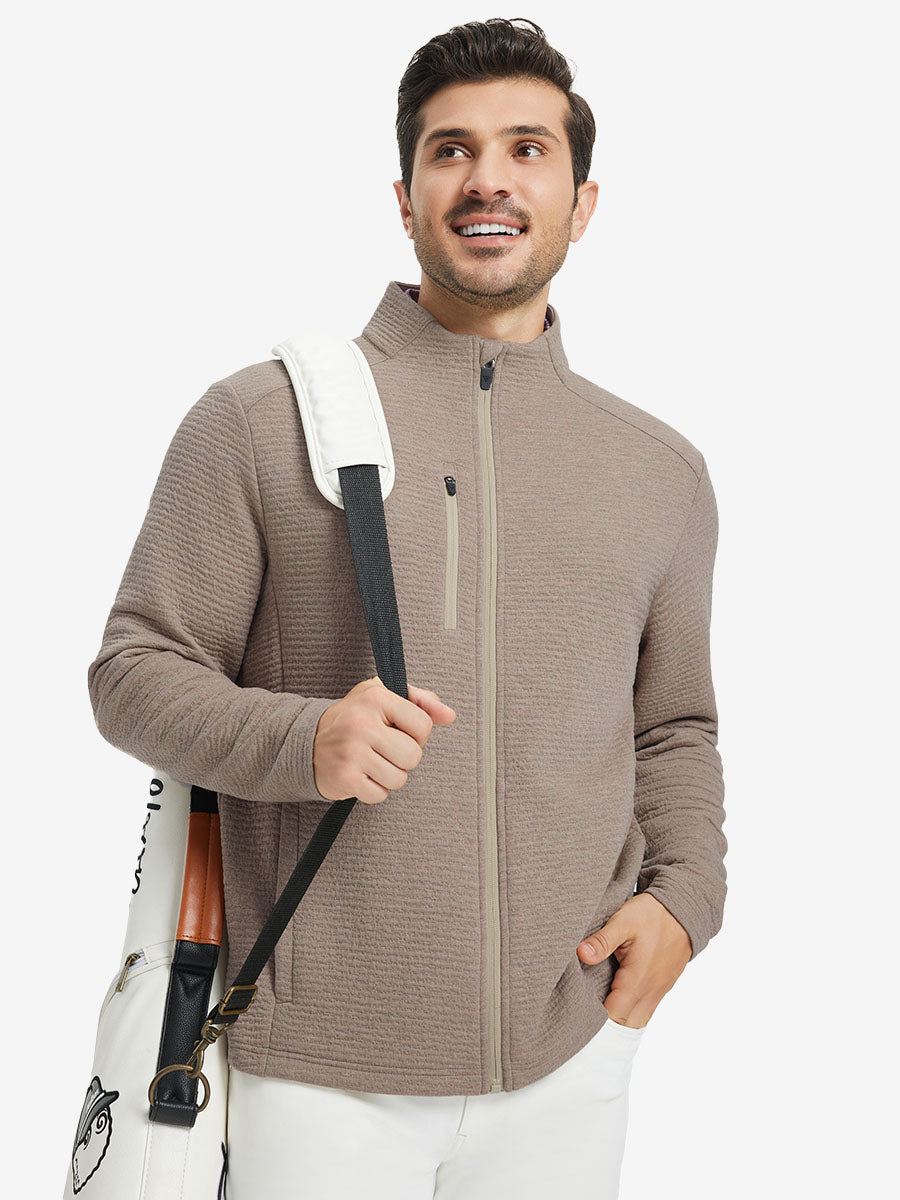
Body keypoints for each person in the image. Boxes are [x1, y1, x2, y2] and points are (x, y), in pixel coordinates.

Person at [87, 17, 727, 1199]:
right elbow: (134, 672)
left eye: (527, 149)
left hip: (569, 1058)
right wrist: (304, 739)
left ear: (583, 202)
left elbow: (675, 726)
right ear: (405, 197)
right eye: (451, 150)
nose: (489, 178)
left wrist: (686, 901)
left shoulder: (660, 473)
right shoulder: (260, 421)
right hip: (311, 1071)